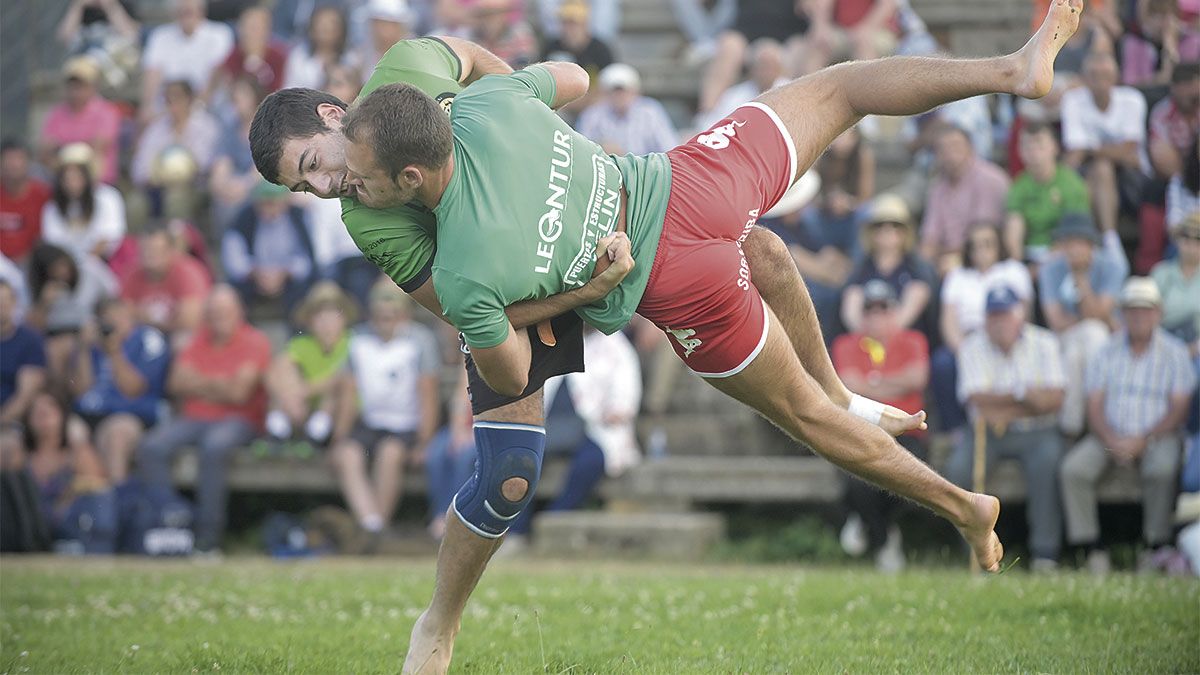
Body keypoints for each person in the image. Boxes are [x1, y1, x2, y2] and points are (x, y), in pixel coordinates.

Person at [338, 3, 1087, 666]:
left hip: (677, 277)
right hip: (692, 177)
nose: (350, 189)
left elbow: (505, 372)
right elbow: (572, 77)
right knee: (840, 89)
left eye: (359, 178)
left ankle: (963, 505)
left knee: (807, 416)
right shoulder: (489, 103)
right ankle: (1011, 69)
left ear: (410, 178)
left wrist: (583, 291)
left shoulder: (465, 269)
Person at [1061, 277, 1195, 574]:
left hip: (1158, 435)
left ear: (1158, 313)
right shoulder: (1106, 350)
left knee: (1162, 469)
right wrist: (1112, 438)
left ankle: (1154, 546)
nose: (1138, 316)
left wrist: (1143, 440)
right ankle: (1090, 548)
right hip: (1108, 435)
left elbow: (1179, 408)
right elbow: (1094, 404)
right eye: (1132, 309)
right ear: (1121, 313)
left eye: (1146, 309)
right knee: (1073, 469)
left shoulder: (1175, 352)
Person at [138, 285, 271, 553]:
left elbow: (239, 393)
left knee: (214, 447)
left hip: (239, 420)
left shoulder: (255, 341)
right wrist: (220, 384)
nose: (218, 318)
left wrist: (198, 383)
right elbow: (176, 383)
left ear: (239, 312)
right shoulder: (197, 339)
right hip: (194, 417)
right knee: (151, 446)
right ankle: (170, 525)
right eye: (213, 312)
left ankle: (208, 536)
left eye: (225, 312)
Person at [945, 285, 1066, 571]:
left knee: (1047, 463)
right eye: (993, 315)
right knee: (958, 469)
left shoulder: (1045, 342)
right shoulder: (972, 345)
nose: (999, 322)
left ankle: (1045, 553)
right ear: (985, 319)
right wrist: (1026, 396)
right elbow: (978, 403)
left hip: (1038, 431)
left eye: (1005, 314)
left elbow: (1056, 400)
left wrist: (1007, 402)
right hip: (987, 431)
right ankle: (976, 553)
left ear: (1019, 315)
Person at [506, 325, 642, 546]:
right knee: (524, 459)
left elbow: (626, 400)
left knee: (590, 462)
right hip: (550, 426)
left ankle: (552, 521)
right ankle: (516, 531)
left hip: (595, 429)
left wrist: (611, 412)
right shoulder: (552, 339)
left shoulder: (617, 347)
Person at [329, 278, 439, 539]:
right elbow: (348, 393)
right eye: (380, 315)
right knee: (347, 455)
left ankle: (375, 532)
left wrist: (424, 442)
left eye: (392, 315)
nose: (386, 320)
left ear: (404, 314)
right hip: (369, 422)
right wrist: (339, 438)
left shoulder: (419, 340)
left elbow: (428, 394)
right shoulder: (358, 340)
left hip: (406, 425)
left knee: (390, 455)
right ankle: (371, 523)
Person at [832, 280, 929, 572]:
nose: (877, 317)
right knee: (857, 479)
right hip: (860, 431)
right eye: (870, 311)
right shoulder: (846, 344)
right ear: (862, 316)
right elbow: (848, 387)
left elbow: (917, 379)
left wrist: (871, 384)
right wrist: (893, 384)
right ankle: (884, 539)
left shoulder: (913, 340)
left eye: (883, 309)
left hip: (909, 432)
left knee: (906, 478)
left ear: (894, 312)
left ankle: (866, 523)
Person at [773, 124, 872, 340]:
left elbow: (824, 253)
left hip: (843, 222)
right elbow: (802, 259)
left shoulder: (800, 225)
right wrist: (841, 278)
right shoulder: (777, 226)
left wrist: (840, 268)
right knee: (826, 295)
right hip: (796, 279)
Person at [933, 222, 1033, 433]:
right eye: (975, 245)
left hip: (1005, 338)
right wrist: (962, 350)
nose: (981, 250)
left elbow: (1024, 315)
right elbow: (948, 319)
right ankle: (956, 430)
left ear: (999, 245)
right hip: (967, 340)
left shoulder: (1014, 270)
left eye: (987, 243)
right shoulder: (957, 275)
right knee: (943, 363)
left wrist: (1006, 341)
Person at [1038, 211, 1127, 435]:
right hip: (1066, 337)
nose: (1074, 249)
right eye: (1069, 242)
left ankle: (1073, 425)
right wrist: (1089, 316)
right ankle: (1087, 422)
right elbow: (1056, 321)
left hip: (1106, 339)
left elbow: (1101, 313)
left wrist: (1081, 278)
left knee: (1087, 340)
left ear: (1091, 244)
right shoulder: (1050, 269)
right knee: (1088, 334)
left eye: (1080, 242)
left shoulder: (1111, 266)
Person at [70, 297, 170, 484]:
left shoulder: (148, 338)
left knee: (115, 434)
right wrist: (83, 349)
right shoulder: (92, 343)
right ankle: (92, 501)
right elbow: (81, 391)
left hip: (132, 413)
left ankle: (117, 498)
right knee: (71, 431)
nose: (114, 320)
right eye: (107, 317)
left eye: (118, 314)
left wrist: (114, 351)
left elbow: (133, 389)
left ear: (130, 313)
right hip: (91, 412)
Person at [1061, 51, 1149, 236]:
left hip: (1132, 177)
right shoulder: (1072, 100)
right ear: (1084, 78)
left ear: (1116, 77)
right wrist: (1113, 151)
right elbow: (1075, 151)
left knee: (1100, 168)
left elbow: (1129, 152)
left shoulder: (1132, 99)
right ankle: (1108, 238)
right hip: (1093, 173)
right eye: (1094, 75)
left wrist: (1090, 149)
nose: (1100, 81)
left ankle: (1089, 237)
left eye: (1106, 75)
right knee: (1100, 170)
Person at [264, 282, 355, 448]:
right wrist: (288, 395)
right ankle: (279, 430)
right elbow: (277, 369)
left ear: (343, 318)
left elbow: (339, 377)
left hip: (341, 407)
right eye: (319, 316)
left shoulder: (354, 342)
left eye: (332, 314)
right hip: (306, 405)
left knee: (333, 394)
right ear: (310, 321)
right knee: (285, 372)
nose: (326, 322)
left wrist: (302, 392)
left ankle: (316, 435)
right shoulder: (302, 343)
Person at [919, 125, 1011, 275]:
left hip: (984, 259)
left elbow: (983, 237)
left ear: (971, 148)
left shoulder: (990, 179)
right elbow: (930, 238)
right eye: (943, 149)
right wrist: (923, 262)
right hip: (946, 259)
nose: (949, 153)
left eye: (955, 146)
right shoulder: (937, 187)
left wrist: (947, 257)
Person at [842, 194, 936, 338]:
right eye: (879, 226)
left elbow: (912, 307)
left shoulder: (916, 268)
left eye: (895, 226)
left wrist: (883, 334)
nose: (887, 230)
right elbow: (850, 312)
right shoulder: (862, 267)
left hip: (903, 343)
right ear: (871, 233)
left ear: (905, 233)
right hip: (865, 341)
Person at [221, 180, 317, 315]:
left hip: (288, 279)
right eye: (265, 203)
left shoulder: (299, 217)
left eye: (274, 203)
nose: (270, 209)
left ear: (285, 202)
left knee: (305, 289)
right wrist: (256, 272)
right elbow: (234, 260)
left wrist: (284, 272)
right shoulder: (242, 219)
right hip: (253, 279)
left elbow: (307, 259)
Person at [1003, 120, 1091, 265]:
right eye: (1027, 145)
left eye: (1039, 144)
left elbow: (1076, 233)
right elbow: (1014, 230)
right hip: (1029, 254)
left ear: (1054, 148)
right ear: (1019, 151)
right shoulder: (1018, 186)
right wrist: (1017, 263)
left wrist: (1043, 266)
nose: (1033, 151)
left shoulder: (1072, 184)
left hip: (1064, 255)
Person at [139, 0, 233, 124]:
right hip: (168, 106)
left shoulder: (219, 33)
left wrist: (195, 107)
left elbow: (217, 75)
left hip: (207, 106)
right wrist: (148, 105)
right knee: (145, 117)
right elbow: (152, 75)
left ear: (201, 11)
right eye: (182, 11)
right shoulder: (161, 35)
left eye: (190, 11)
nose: (186, 15)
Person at [120, 226, 212, 346]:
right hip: (145, 334)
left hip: (180, 336)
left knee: (183, 340)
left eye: (155, 250)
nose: (149, 256)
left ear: (170, 250)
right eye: (145, 250)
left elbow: (190, 321)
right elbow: (122, 313)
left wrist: (147, 319)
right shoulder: (132, 273)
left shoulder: (188, 272)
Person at [39, 56, 123, 185]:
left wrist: (63, 149)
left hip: (99, 185)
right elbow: (46, 150)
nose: (75, 92)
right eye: (72, 86)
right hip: (63, 186)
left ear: (93, 87)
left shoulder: (106, 112)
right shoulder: (57, 113)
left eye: (81, 86)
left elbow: (98, 146)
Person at [41, 143, 126, 262]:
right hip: (67, 269)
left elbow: (108, 238)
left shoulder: (108, 197)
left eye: (77, 176)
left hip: (104, 263)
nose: (72, 183)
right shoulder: (52, 208)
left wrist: (85, 265)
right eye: (67, 177)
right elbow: (54, 246)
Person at [131, 80, 221, 188]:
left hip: (193, 187)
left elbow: (205, 163)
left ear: (189, 100)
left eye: (178, 99)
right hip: (157, 187)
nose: (173, 106)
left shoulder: (206, 126)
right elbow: (140, 167)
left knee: (176, 199)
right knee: (136, 203)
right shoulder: (156, 128)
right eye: (169, 101)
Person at [575, 64, 678, 156]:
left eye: (624, 90)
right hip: (606, 172)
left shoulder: (650, 112)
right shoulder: (592, 115)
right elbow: (581, 153)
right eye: (614, 91)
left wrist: (625, 157)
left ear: (635, 91)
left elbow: (669, 149)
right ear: (605, 93)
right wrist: (601, 150)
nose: (620, 96)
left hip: (645, 173)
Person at [693, 38, 788, 134]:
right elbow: (713, 124)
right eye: (762, 65)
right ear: (753, 69)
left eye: (770, 66)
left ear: (779, 68)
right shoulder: (735, 95)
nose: (766, 71)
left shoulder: (789, 91)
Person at [209, 75, 266, 228]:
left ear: (255, 97)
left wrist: (244, 185)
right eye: (235, 96)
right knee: (223, 203)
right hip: (234, 187)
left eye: (243, 95)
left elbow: (265, 167)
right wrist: (223, 185)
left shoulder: (267, 127)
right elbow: (221, 163)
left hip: (258, 184)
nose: (237, 100)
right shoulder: (230, 129)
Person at [539, 0, 615, 114]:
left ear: (585, 24)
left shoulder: (600, 49)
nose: (568, 28)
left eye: (573, 23)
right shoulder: (551, 47)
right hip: (561, 106)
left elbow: (608, 84)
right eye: (564, 22)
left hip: (591, 105)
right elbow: (542, 81)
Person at [206, 5, 287, 102]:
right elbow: (229, 88)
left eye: (255, 28)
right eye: (246, 27)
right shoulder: (234, 56)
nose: (249, 33)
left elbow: (280, 92)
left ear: (266, 30)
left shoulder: (278, 57)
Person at [801, 0, 899, 75]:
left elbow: (887, 4)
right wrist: (821, 26)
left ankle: (869, 97)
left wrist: (866, 28)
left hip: (878, 31)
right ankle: (810, 96)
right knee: (819, 44)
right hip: (844, 31)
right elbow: (823, 3)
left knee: (862, 43)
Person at [0, 280, 46, 426]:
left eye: (4, 303)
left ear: (14, 303)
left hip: (12, 422)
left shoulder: (30, 341)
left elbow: (25, 397)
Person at [1151, 214, 1200, 349]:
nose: (1191, 243)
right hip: (1163, 344)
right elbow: (1149, 314)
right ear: (1177, 240)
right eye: (1186, 237)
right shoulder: (1160, 273)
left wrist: (1195, 348)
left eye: (1198, 238)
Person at [0, 139, 51, 263]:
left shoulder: (43, 195)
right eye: (8, 158)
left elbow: (44, 238)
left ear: (29, 163)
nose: (13, 164)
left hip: (32, 265)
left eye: (18, 158)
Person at [282, 6, 355, 91]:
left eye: (332, 23)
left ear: (342, 29)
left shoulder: (351, 58)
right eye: (321, 23)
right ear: (312, 29)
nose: (326, 28)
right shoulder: (299, 56)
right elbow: (289, 91)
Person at [1148, 62, 1200, 181]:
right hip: (1177, 169)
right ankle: (1187, 187)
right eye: (1182, 85)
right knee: (1159, 150)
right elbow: (1160, 150)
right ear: (1173, 87)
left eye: (1191, 84)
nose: (1187, 91)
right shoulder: (1162, 112)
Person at [356, 0, 417, 82]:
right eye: (376, 23)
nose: (381, 30)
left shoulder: (414, 53)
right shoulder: (360, 56)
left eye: (386, 24)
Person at [472, 0, 537, 70]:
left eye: (496, 13)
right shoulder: (470, 33)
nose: (491, 19)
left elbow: (526, 61)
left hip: (512, 77)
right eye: (485, 14)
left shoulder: (520, 31)